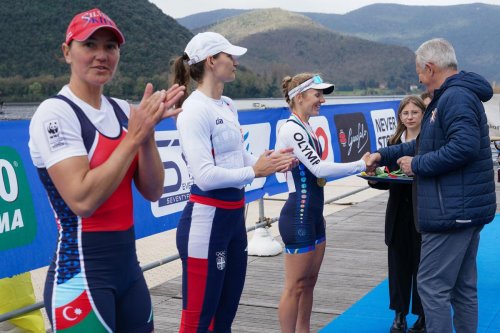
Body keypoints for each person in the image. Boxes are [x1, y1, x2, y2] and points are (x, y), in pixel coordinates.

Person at [28, 8, 185, 332]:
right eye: (90, 45)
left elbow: (153, 190)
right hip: (81, 275)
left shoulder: (124, 111)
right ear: (67, 51)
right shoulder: (55, 113)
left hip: (128, 270)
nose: (101, 55)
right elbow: (82, 200)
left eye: (110, 47)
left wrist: (147, 135)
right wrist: (134, 136)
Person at [368, 38, 495, 333]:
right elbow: (423, 144)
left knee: (431, 285)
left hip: (451, 211)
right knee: (463, 288)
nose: (419, 79)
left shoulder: (455, 98)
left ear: (429, 67)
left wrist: (418, 165)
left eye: (419, 72)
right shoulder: (451, 96)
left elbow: (463, 147)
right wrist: (382, 154)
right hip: (462, 208)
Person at [172, 32, 296, 333]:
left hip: (233, 220)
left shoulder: (226, 104)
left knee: (224, 318)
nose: (236, 61)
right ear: (212, 61)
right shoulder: (193, 110)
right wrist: (255, 171)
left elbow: (241, 156)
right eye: (230, 56)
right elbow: (204, 175)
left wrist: (269, 160)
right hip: (206, 223)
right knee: (198, 322)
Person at [276, 72, 370, 333]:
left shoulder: (306, 128)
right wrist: (361, 164)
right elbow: (319, 169)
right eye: (317, 95)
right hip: (299, 215)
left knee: (309, 283)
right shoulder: (291, 128)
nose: (322, 101)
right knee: (294, 286)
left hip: (314, 215)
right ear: (299, 96)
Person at [367, 96, 426, 333]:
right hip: (397, 212)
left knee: (423, 266)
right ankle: (399, 315)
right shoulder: (392, 142)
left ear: (423, 114)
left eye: (414, 112)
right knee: (398, 264)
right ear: (399, 117)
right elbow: (386, 180)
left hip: (422, 210)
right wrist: (374, 176)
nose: (410, 117)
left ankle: (422, 316)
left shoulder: (429, 141)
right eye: (405, 113)